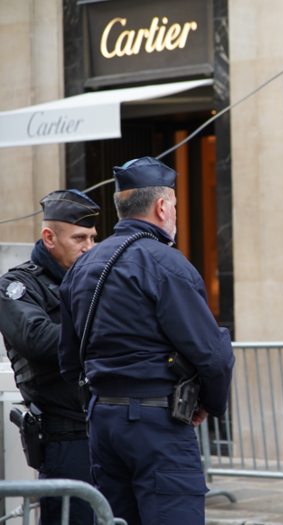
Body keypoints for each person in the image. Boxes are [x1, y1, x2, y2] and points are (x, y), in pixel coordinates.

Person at [58, 157, 235, 525]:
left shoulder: (84, 265)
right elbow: (213, 355)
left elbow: (69, 359)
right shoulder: (166, 263)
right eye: (174, 206)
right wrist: (210, 405)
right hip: (157, 423)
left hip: (103, 420)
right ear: (162, 206)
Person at [0, 189, 100, 525]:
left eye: (92, 237)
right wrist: (110, 335)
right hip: (66, 437)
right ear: (50, 237)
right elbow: (39, 341)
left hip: (106, 430)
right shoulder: (18, 285)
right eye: (79, 237)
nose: (88, 246)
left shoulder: (97, 280)